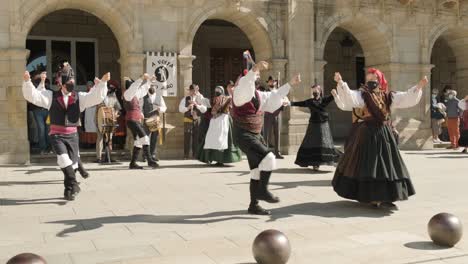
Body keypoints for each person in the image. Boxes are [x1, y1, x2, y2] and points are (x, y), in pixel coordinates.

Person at [332, 69, 428, 209]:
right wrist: (340, 82)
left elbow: (405, 98)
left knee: (386, 163)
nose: (371, 80)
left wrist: (418, 86)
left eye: (374, 77)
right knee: (369, 163)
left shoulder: (388, 95)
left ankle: (386, 196)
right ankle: (371, 196)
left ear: (380, 79)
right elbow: (350, 97)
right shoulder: (362, 94)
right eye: (368, 78)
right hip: (367, 133)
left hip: (383, 133)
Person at [22, 68, 109, 201]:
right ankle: (74, 185)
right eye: (69, 81)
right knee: (63, 160)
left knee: (73, 164)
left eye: (72, 81)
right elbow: (34, 96)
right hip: (57, 135)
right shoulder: (51, 96)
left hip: (73, 136)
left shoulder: (79, 97)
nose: (71, 83)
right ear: (61, 83)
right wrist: (27, 81)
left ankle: (69, 190)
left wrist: (103, 83)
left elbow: (96, 97)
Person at [232, 59, 301, 215]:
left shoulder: (257, 94)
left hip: (255, 134)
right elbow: (245, 83)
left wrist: (290, 84)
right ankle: (262, 191)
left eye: (256, 76)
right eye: (254, 75)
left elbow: (273, 95)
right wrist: (254, 69)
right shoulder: (239, 92)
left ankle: (253, 205)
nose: (256, 77)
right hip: (243, 134)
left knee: (256, 171)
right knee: (269, 157)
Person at [289, 84, 341, 171]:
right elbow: (300, 103)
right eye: (313, 91)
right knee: (312, 143)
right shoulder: (310, 101)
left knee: (324, 143)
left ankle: (329, 160)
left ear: (320, 91)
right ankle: (315, 164)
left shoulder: (324, 100)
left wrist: (335, 91)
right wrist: (290, 103)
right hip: (313, 124)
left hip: (323, 124)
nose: (315, 92)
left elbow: (333, 96)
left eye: (316, 90)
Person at [198, 86, 242, 166]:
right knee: (212, 139)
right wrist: (198, 95)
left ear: (222, 91)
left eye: (219, 90)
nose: (217, 91)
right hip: (215, 120)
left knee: (222, 139)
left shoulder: (227, 98)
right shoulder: (214, 99)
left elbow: (234, 102)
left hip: (224, 120)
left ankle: (222, 160)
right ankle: (215, 159)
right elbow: (206, 102)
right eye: (216, 90)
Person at [123, 74, 159, 169]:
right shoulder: (128, 94)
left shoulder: (135, 94)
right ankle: (150, 161)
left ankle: (133, 163)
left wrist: (149, 81)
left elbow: (143, 89)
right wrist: (141, 78)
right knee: (145, 138)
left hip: (135, 120)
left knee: (138, 141)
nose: (136, 87)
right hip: (132, 120)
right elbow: (135, 87)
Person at [96, 80, 122, 163]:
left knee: (109, 139)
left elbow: (118, 108)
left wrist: (116, 113)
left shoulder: (113, 97)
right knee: (100, 138)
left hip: (110, 120)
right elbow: (98, 109)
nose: (109, 90)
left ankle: (108, 156)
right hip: (99, 119)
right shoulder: (100, 96)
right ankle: (99, 157)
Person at [178, 84, 207, 159]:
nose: (194, 92)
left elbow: (204, 109)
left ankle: (195, 154)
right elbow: (180, 109)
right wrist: (187, 108)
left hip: (197, 119)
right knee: (187, 137)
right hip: (187, 119)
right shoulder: (185, 98)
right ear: (189, 91)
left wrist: (197, 105)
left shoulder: (200, 98)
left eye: (195, 91)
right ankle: (186, 155)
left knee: (196, 137)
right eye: (192, 91)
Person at [142, 82, 167, 161]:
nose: (152, 87)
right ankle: (145, 156)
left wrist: (160, 109)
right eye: (150, 86)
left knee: (154, 138)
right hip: (146, 120)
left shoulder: (159, 97)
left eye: (153, 86)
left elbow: (164, 107)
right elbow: (140, 108)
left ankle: (152, 155)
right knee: (146, 138)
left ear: (156, 88)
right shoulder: (143, 97)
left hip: (156, 120)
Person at [263, 77, 286, 159]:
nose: (272, 83)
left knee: (277, 134)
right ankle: (265, 152)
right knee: (266, 134)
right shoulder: (265, 92)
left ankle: (277, 152)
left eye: (273, 81)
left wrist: (282, 104)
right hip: (268, 115)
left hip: (277, 114)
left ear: (275, 83)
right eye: (270, 81)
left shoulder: (279, 92)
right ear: (268, 83)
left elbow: (283, 102)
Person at [30, 73, 51, 154]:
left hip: (47, 111)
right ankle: (43, 148)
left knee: (48, 129)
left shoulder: (49, 89)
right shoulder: (35, 90)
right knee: (41, 129)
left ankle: (49, 147)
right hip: (38, 111)